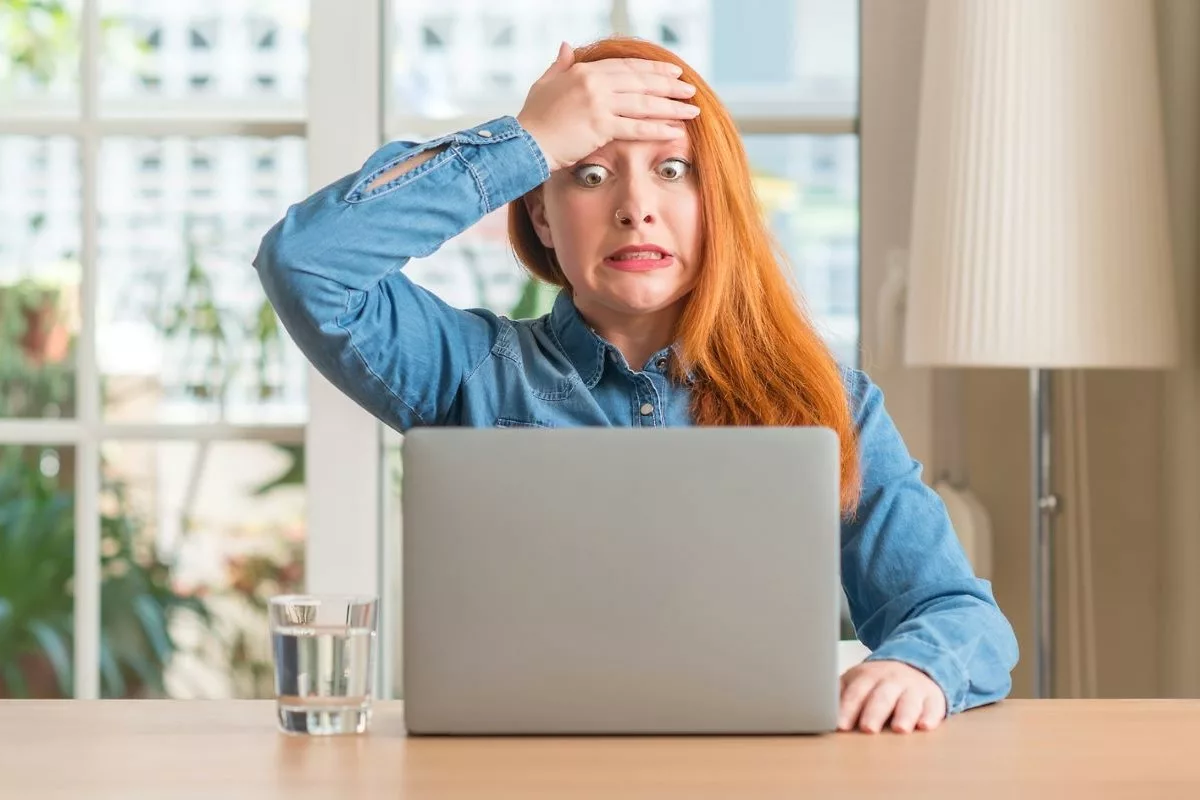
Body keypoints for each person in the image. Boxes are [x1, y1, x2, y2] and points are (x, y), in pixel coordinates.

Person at [254, 36, 1018, 734]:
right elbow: (307, 263)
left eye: (673, 170)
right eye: (587, 174)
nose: (635, 208)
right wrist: (527, 141)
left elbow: (956, 613)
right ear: (544, 217)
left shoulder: (832, 402)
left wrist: (915, 667)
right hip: (509, 775)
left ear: (715, 206)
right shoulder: (471, 372)